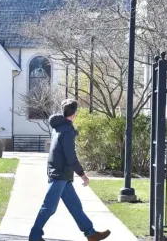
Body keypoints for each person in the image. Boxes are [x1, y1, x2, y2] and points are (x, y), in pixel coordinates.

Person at [29, 99, 111, 241]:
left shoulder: (58, 127)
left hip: (61, 174)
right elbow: (70, 156)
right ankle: (34, 236)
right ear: (74, 114)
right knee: (49, 207)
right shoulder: (66, 130)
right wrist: (83, 175)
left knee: (75, 207)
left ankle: (90, 233)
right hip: (59, 175)